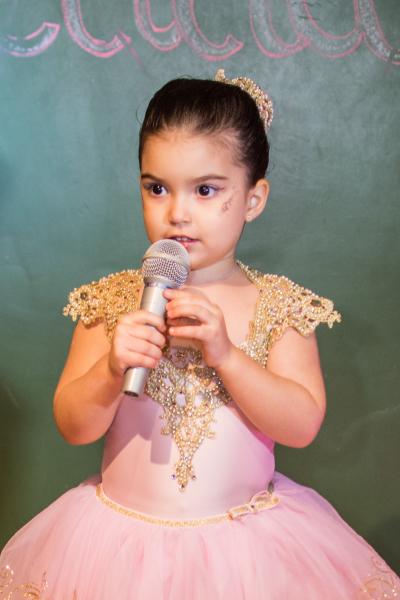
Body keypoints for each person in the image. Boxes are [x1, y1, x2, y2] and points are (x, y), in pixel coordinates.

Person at [0, 69, 398, 599]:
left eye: (206, 190)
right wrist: (111, 368)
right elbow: (74, 426)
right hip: (120, 552)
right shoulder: (113, 302)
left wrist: (228, 355)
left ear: (253, 199)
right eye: (157, 188)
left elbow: (301, 424)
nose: (177, 213)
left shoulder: (279, 306)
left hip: (247, 555)